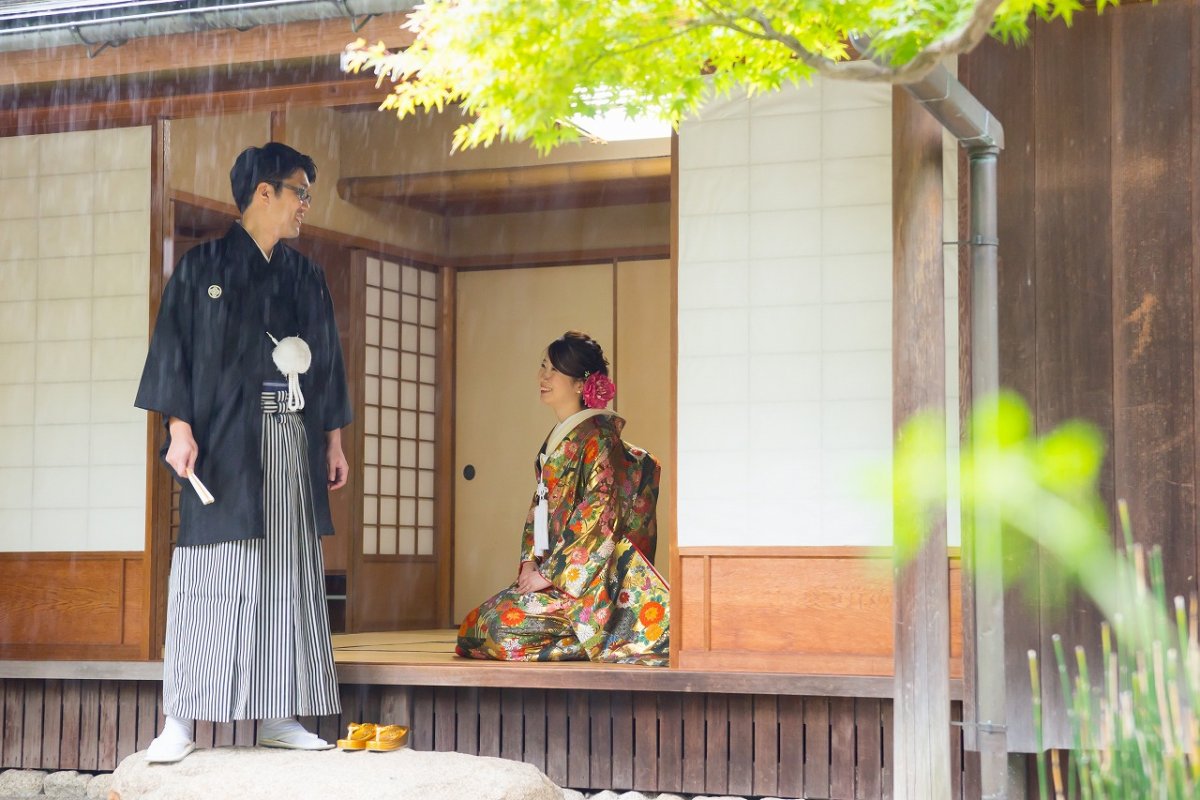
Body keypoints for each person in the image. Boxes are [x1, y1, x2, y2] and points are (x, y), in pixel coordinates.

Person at [134, 143, 352, 763]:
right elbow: (173, 353)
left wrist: (333, 439)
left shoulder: (304, 274)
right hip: (223, 442)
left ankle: (281, 714)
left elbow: (327, 361)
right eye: (300, 193)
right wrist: (179, 427)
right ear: (265, 192)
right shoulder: (202, 266)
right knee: (211, 574)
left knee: (287, 577)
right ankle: (181, 718)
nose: (306, 205)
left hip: (290, 437)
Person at [456, 331, 669, 666]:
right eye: (544, 367)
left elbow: (601, 516)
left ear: (581, 385)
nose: (544, 377)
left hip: (587, 588)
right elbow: (538, 511)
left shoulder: (598, 439)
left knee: (497, 630)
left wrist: (550, 573)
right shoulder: (561, 438)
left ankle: (597, 636)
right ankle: (573, 635)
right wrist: (530, 562)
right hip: (557, 577)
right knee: (476, 625)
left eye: (554, 371)